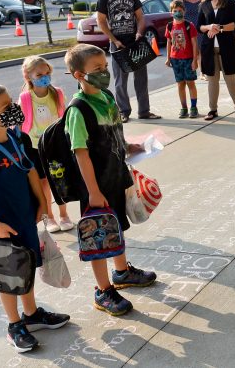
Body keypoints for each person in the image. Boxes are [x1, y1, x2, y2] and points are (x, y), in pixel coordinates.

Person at [0, 83, 70, 352]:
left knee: (27, 268)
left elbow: (30, 171)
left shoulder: (15, 138)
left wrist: (42, 202)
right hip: (1, 229)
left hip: (24, 219)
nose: (14, 109)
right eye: (6, 107)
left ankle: (31, 315)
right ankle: (14, 324)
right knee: (8, 277)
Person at [64, 43, 157, 317]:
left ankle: (122, 272)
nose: (104, 73)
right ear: (78, 75)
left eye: (105, 67)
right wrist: (92, 191)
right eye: (97, 69)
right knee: (99, 238)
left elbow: (114, 133)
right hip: (96, 186)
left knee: (117, 228)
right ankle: (103, 290)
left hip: (116, 176)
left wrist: (129, 147)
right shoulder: (78, 110)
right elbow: (80, 154)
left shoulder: (106, 97)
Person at [96, 0, 161, 123]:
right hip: (118, 45)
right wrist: (114, 40)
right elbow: (101, 22)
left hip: (135, 43)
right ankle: (124, 112)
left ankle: (144, 111)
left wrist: (139, 33)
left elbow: (141, 17)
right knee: (120, 81)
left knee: (141, 79)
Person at [18, 56, 73, 232]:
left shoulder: (57, 93)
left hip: (55, 144)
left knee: (60, 179)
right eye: (39, 74)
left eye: (47, 72)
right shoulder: (26, 98)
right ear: (28, 76)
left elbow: (63, 116)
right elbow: (20, 125)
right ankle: (50, 217)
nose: (45, 76)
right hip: (35, 147)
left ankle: (64, 214)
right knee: (44, 183)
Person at [198, 0, 235, 121]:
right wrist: (209, 27)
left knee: (230, 79)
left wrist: (219, 27)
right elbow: (200, 26)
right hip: (209, 49)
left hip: (227, 48)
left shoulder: (229, 3)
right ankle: (213, 110)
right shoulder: (203, 5)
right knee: (212, 81)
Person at [164, 0, 199, 118]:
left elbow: (194, 44)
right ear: (171, 13)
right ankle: (184, 107)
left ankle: (193, 107)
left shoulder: (189, 25)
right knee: (180, 84)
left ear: (184, 11)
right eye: (175, 11)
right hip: (175, 59)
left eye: (180, 11)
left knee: (190, 83)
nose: (178, 13)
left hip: (188, 58)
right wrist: (168, 58)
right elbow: (168, 43)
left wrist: (195, 60)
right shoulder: (169, 26)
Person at [175, 0, 202, 74]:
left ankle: (203, 73)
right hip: (186, 28)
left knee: (200, 51)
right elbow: (177, 13)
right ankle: (189, 71)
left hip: (199, 28)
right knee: (187, 51)